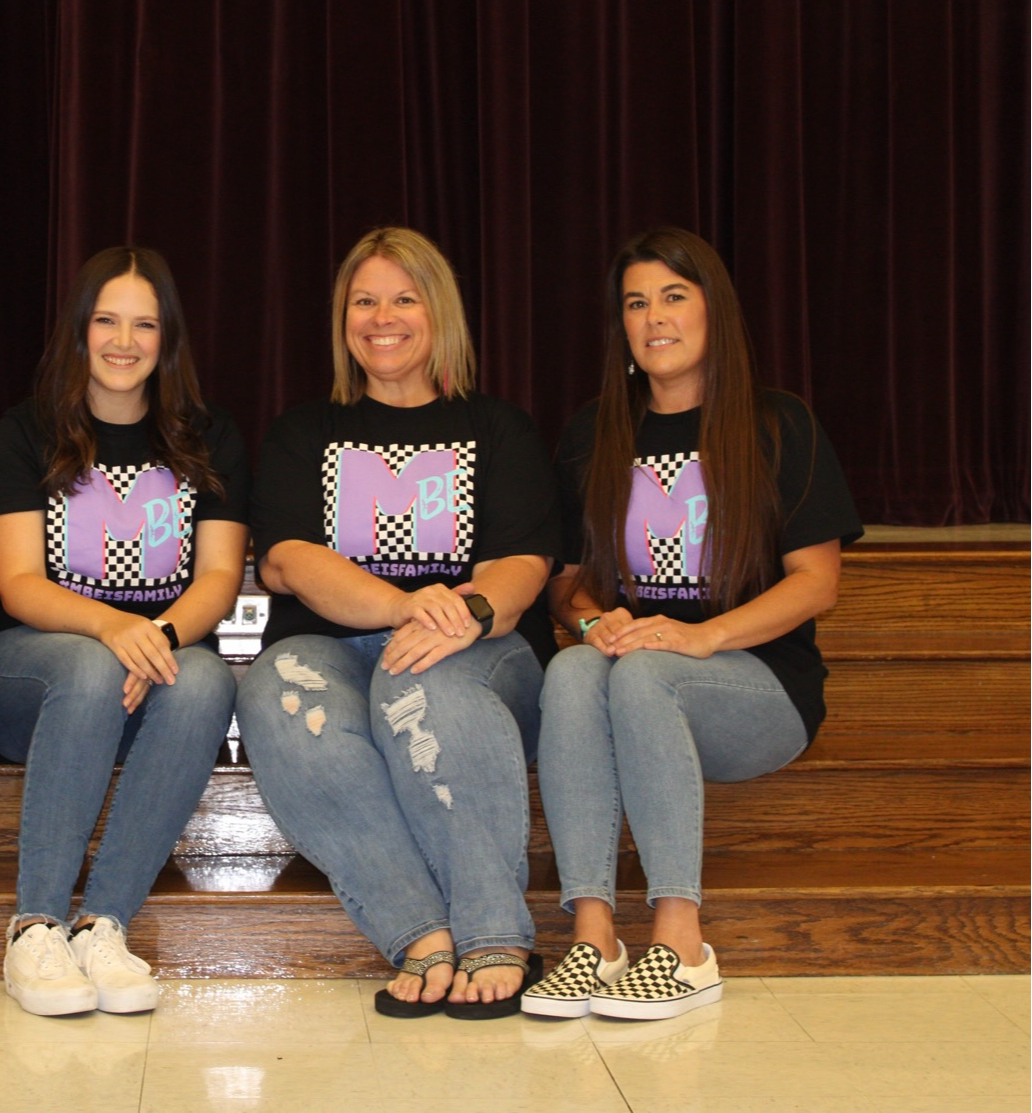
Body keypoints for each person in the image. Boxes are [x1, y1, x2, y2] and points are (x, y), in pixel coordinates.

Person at [523, 227, 862, 1021]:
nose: (654, 317)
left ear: (714, 310)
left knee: (645, 670)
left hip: (755, 692)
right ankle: (594, 940)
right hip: (631, 679)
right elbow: (565, 589)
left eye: (674, 296)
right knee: (573, 668)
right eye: (636, 303)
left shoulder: (778, 424)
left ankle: (681, 944)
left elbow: (817, 585)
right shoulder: (591, 433)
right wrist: (590, 626)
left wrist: (700, 635)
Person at [235, 227, 560, 1019]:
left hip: (476, 651)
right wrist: (401, 605)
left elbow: (524, 565)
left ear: (437, 312)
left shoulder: (499, 429)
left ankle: (492, 931)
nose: (383, 317)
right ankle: (418, 931)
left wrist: (466, 612)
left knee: (422, 677)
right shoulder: (303, 432)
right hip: (335, 645)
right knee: (279, 691)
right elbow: (285, 562)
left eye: (404, 298)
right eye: (364, 300)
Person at [0, 246, 249, 1016]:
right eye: (106, 320)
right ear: (78, 331)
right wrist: (116, 629)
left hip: (147, 669)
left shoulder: (206, 435)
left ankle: (102, 925)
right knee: (91, 670)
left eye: (144, 324)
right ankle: (33, 927)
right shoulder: (26, 433)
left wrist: (152, 636)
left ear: (168, 340)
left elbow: (219, 579)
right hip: (28, 675)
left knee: (208, 680)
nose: (124, 341)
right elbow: (19, 585)